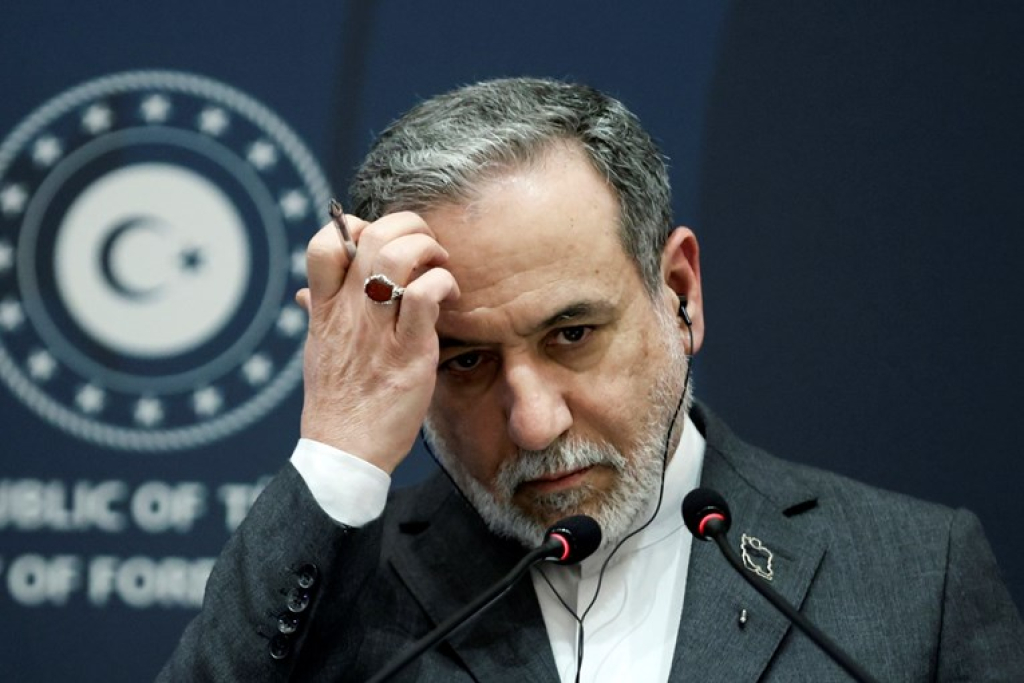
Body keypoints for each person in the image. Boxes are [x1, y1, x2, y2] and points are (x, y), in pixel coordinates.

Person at [159, 78, 1024, 682]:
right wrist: (339, 445)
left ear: (679, 293)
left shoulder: (918, 577)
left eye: (572, 335)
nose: (534, 423)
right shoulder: (344, 591)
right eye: (465, 361)